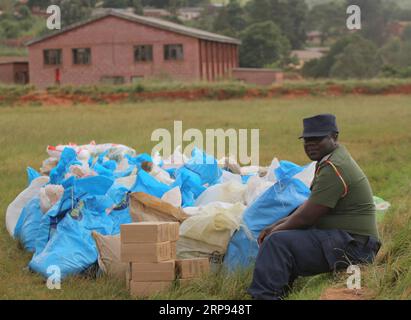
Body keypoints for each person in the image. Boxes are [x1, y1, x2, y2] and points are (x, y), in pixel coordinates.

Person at [247, 114, 381, 300]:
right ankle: (279, 293)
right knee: (282, 236)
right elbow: (309, 207)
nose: (310, 144)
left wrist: (274, 231)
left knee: (277, 243)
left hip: (355, 246)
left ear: (334, 137)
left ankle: (264, 297)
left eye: (317, 139)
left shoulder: (335, 167)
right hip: (348, 239)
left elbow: (306, 218)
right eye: (307, 140)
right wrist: (275, 225)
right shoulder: (332, 159)